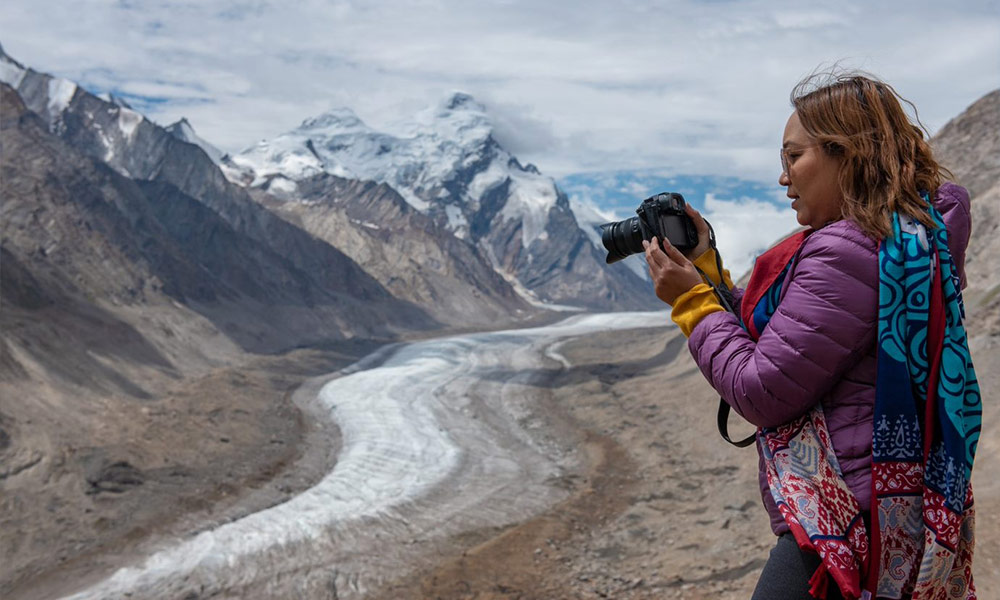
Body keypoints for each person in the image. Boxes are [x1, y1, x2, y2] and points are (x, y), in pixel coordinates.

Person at [643, 71, 980, 600]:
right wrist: (708, 274)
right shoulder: (910, 243)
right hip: (900, 505)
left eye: (793, 157)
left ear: (846, 153)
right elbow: (797, 335)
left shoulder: (846, 252)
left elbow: (762, 389)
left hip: (843, 519)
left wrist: (692, 304)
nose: (783, 178)